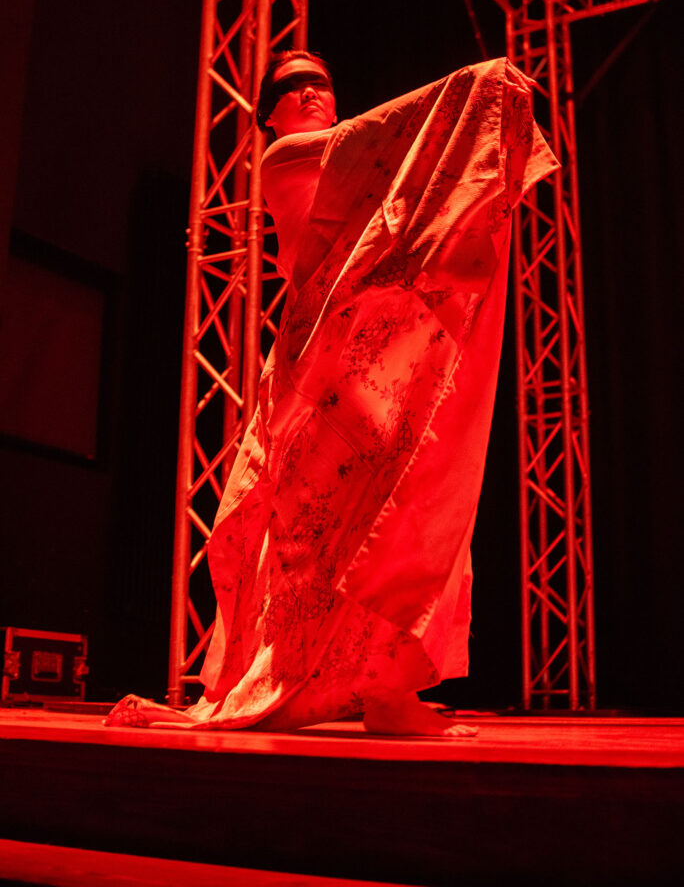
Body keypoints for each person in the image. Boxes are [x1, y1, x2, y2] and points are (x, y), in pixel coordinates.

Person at [106, 50, 558, 736]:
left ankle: (389, 691)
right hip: (320, 371)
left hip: (369, 360)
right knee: (317, 539)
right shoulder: (285, 159)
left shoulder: (364, 164)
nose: (311, 91)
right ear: (269, 115)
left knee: (408, 507)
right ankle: (312, 680)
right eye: (293, 85)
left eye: (320, 82)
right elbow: (397, 132)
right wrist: (480, 87)